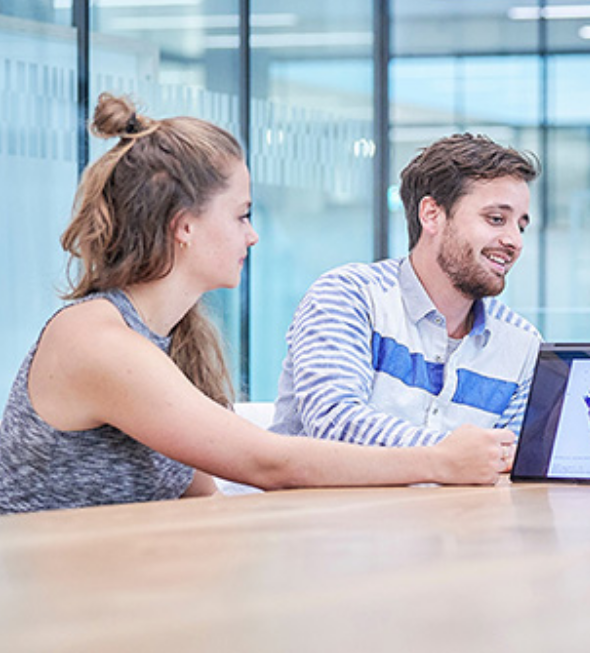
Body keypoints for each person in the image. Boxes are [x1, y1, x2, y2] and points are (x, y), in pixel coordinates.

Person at [0, 95, 513, 515]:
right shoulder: (94, 339)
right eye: (241, 215)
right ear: (184, 226)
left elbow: (203, 499)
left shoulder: (176, 341)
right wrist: (439, 461)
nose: (253, 235)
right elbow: (269, 464)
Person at [269, 133, 542, 450]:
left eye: (520, 226)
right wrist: (450, 456)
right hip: (318, 501)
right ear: (431, 215)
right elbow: (335, 423)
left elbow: (511, 462)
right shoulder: (349, 296)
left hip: (456, 503)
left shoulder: (523, 344)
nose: (514, 241)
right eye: (496, 219)